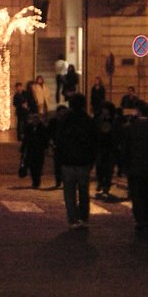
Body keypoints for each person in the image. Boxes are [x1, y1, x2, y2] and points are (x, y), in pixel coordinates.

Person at [54, 93, 97, 229]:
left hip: (68, 161)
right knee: (84, 192)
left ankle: (72, 219)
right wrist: (92, 160)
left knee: (69, 192)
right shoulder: (88, 120)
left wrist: (59, 159)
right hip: (83, 161)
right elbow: (94, 142)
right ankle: (83, 218)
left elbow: (59, 141)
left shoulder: (65, 120)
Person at [122, 100, 148, 233]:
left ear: (138, 111)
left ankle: (140, 219)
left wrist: (124, 164)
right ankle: (147, 217)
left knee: (137, 194)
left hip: (134, 167)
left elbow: (125, 148)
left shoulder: (130, 127)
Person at [20, 111, 49, 189]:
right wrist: (23, 148)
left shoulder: (42, 128)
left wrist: (46, 148)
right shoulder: (29, 127)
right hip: (31, 149)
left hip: (39, 150)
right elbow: (26, 139)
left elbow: (45, 139)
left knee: (38, 166)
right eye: (33, 119)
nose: (35, 121)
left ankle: (37, 181)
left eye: (36, 119)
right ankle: (34, 181)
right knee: (32, 166)